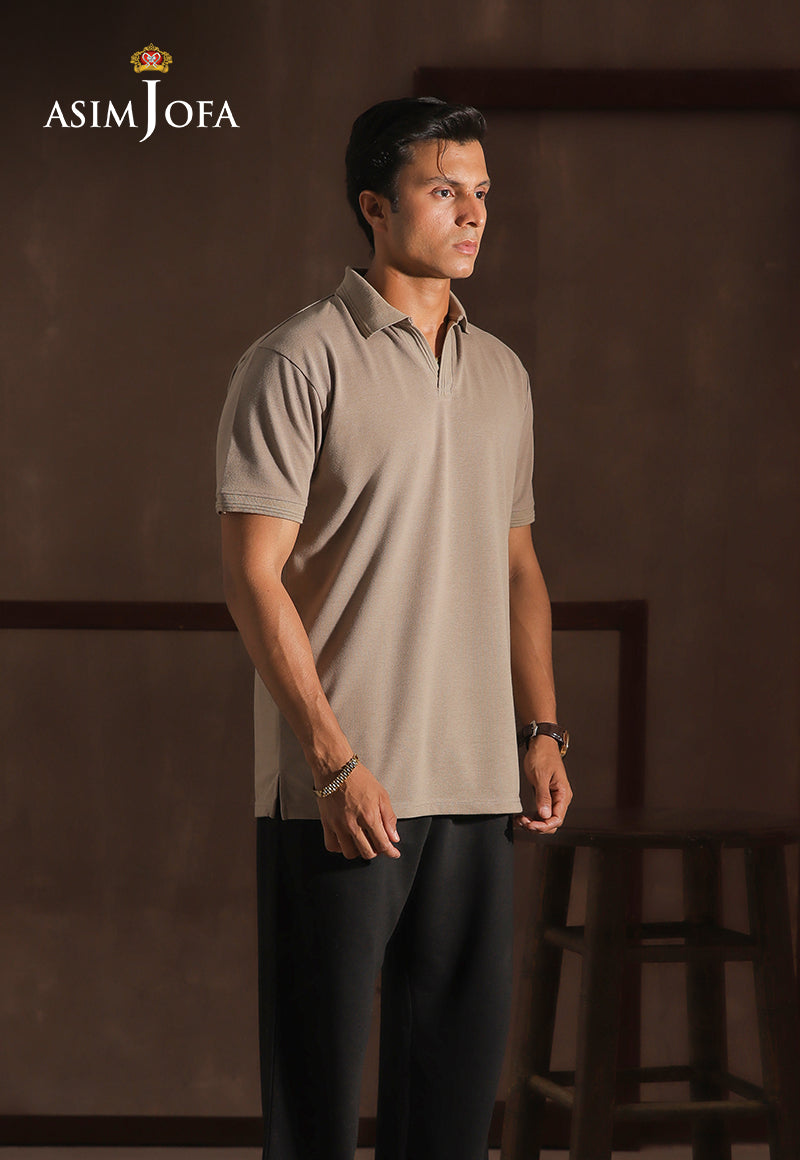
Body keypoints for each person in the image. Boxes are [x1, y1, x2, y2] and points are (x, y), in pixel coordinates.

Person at [215, 96, 572, 1160]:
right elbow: (251, 576)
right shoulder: (296, 361)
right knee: (316, 1104)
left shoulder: (501, 371)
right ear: (374, 206)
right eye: (441, 190)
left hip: (476, 784)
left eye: (481, 192)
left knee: (451, 1110)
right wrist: (332, 762)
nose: (472, 213)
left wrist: (540, 731)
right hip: (342, 789)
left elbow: (517, 566)